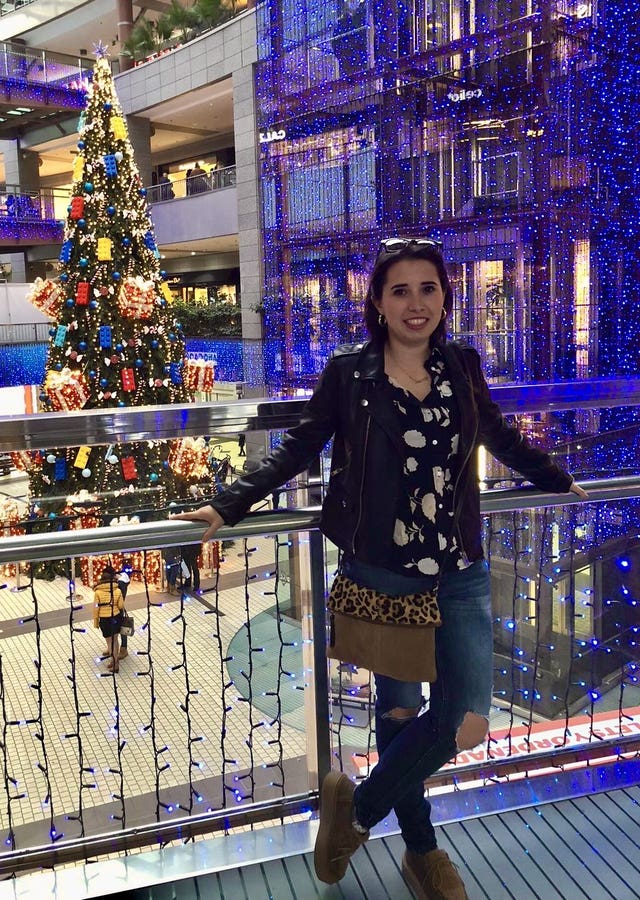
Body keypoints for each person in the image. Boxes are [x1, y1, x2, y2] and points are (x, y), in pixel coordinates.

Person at [171, 237, 588, 899]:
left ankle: (355, 812)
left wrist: (554, 475)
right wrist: (229, 504)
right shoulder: (351, 374)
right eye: (400, 290)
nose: (416, 303)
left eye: (429, 289)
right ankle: (422, 854)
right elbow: (299, 448)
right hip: (387, 571)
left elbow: (498, 436)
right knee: (399, 719)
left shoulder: (462, 365)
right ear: (377, 301)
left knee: (461, 718)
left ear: (447, 298)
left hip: (460, 569)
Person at [93, 565, 125, 673]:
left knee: (109, 642)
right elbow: (120, 606)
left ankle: (115, 663)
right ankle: (115, 662)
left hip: (105, 619)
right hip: (116, 618)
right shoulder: (118, 591)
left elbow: (96, 609)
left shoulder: (98, 592)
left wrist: (96, 621)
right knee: (115, 640)